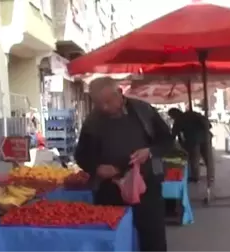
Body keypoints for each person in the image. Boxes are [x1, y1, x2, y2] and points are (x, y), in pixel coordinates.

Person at [75, 77, 173, 252]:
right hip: (110, 190)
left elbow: (167, 141)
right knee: (112, 240)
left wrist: (149, 152)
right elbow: (81, 155)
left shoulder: (144, 111)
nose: (104, 107)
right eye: (99, 104)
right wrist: (96, 168)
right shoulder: (92, 122)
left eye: (108, 102)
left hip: (146, 187)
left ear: (119, 93)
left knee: (152, 240)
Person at [167, 108, 214, 183]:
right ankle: (211, 176)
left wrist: (181, 144)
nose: (171, 118)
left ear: (174, 114)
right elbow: (207, 124)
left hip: (193, 139)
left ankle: (196, 177)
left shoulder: (179, 120)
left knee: (194, 159)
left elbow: (174, 134)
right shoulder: (191, 113)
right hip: (206, 136)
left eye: (171, 116)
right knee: (208, 158)